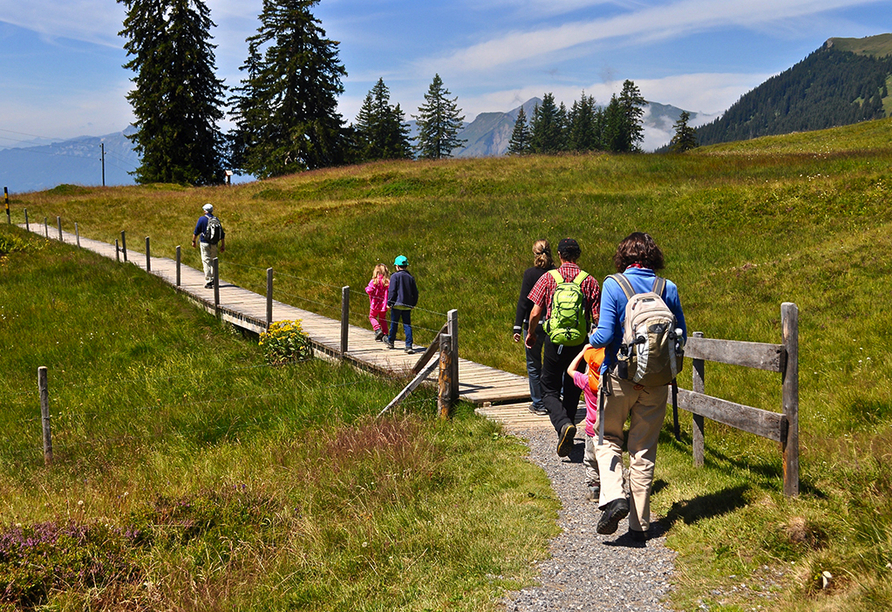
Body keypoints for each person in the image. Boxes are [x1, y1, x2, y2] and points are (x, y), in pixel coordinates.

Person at [589, 232, 686, 541]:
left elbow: (603, 336)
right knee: (643, 450)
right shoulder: (667, 288)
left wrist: (591, 340)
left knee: (607, 438)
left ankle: (615, 496)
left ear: (623, 257)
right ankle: (639, 526)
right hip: (656, 382)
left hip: (619, 377)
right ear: (653, 257)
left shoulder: (613, 285)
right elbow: (681, 334)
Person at [525, 238, 600, 458]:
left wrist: (531, 334)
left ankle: (564, 425)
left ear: (558, 255)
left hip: (554, 343)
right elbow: (596, 318)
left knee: (548, 389)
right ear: (578, 255)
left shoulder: (549, 278)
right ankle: (566, 427)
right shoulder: (590, 281)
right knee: (572, 389)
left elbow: (535, 312)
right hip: (579, 344)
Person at [513, 240, 554, 415]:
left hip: (532, 324)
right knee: (552, 364)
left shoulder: (529, 274)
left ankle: (538, 404)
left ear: (534, 254)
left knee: (533, 364)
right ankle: (554, 400)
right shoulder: (556, 274)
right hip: (552, 324)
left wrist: (516, 327)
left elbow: (524, 302)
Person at [567, 344, 604, 501]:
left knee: (590, 458)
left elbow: (570, 370)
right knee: (607, 456)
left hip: (591, 429)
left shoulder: (586, 382)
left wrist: (583, 353)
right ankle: (611, 487)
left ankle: (594, 488)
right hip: (609, 428)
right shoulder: (611, 384)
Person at [384, 255, 418, 354]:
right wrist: (413, 304)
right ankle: (409, 345)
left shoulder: (395, 276)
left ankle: (391, 341)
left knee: (394, 324)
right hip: (407, 305)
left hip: (396, 304)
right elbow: (415, 292)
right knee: (407, 325)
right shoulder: (410, 277)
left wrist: (390, 302)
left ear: (397, 266)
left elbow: (392, 290)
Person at [191, 203, 225, 288]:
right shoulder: (216, 219)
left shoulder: (202, 219)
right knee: (213, 260)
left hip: (204, 242)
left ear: (205, 211)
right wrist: (222, 245)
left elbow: (196, 231)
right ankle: (213, 279)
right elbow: (222, 233)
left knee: (206, 261)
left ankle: (209, 281)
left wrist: (193, 241)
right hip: (214, 243)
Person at [366, 263, 390, 341]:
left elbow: (369, 290)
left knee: (372, 316)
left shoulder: (374, 281)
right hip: (384, 304)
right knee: (383, 318)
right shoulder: (387, 282)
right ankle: (385, 333)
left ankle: (377, 329)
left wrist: (367, 289)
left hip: (375, 304)